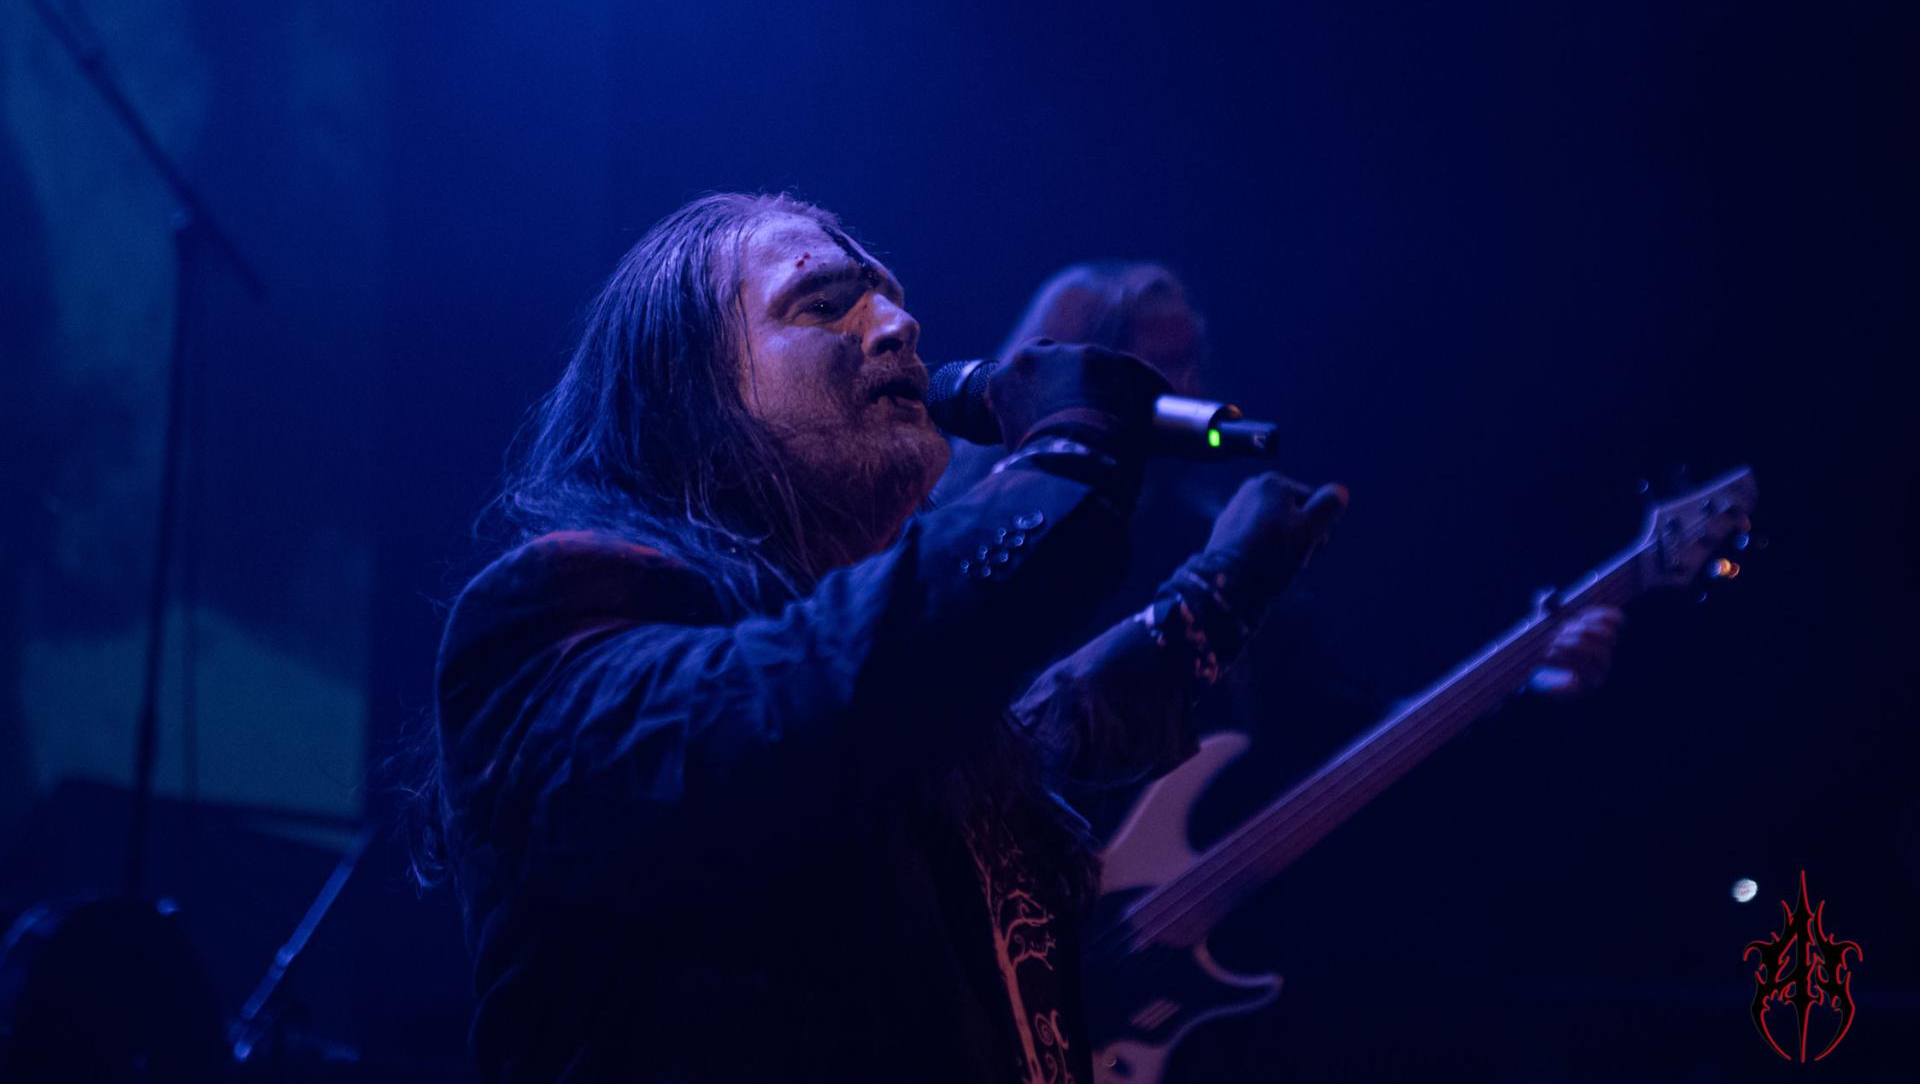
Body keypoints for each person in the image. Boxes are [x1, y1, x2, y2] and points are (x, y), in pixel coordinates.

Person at [429, 193, 1607, 1084]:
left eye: (892, 297)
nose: (899, 324)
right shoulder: (549, 618)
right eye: (824, 302)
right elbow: (794, 715)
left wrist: (1211, 603)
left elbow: (1020, 750)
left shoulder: (898, 701)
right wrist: (1069, 455)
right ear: (685, 389)